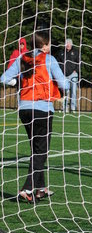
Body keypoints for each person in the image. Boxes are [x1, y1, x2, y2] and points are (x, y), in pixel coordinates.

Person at [1, 30, 69, 203]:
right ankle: (27, 188)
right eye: (49, 44)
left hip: (24, 108)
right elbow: (64, 84)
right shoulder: (49, 59)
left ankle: (40, 188)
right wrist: (61, 85)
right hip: (42, 109)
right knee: (41, 151)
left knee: (36, 149)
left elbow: (4, 78)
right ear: (44, 45)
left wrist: (17, 82)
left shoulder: (21, 58)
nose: (50, 47)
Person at [57, 38, 80, 112]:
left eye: (69, 43)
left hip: (73, 74)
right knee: (65, 92)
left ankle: (73, 108)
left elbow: (79, 62)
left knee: (73, 91)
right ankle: (64, 108)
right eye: (67, 43)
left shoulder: (76, 52)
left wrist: (75, 71)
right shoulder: (61, 52)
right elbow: (58, 63)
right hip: (63, 75)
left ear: (71, 44)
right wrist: (60, 71)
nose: (68, 45)